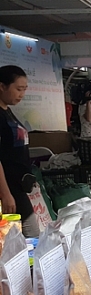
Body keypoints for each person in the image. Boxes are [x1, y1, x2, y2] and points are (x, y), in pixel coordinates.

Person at [0, 66, 40, 237]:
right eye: (18, 89)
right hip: (7, 188)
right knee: (23, 236)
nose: (21, 94)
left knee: (24, 237)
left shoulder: (7, 111)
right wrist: (5, 193)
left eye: (24, 89)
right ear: (2, 86)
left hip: (17, 186)